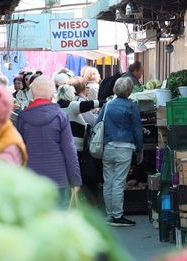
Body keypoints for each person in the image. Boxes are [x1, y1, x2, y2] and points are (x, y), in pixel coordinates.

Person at [16, 76, 82, 206]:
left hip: (31, 179)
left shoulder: (22, 117)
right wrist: (75, 180)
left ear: (32, 93)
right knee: (57, 221)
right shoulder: (60, 116)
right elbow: (69, 150)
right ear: (52, 94)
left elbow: (19, 150)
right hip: (57, 179)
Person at [97, 77, 144, 227]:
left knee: (108, 181)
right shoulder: (132, 107)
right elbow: (137, 130)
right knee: (118, 182)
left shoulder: (108, 105)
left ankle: (110, 213)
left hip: (108, 147)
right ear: (129, 90)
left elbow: (97, 123)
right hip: (124, 147)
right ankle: (117, 216)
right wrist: (140, 149)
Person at [58, 83, 103, 207]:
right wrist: (106, 101)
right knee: (78, 178)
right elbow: (89, 104)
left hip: (61, 148)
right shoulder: (71, 106)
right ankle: (78, 204)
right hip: (75, 150)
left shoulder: (56, 107)